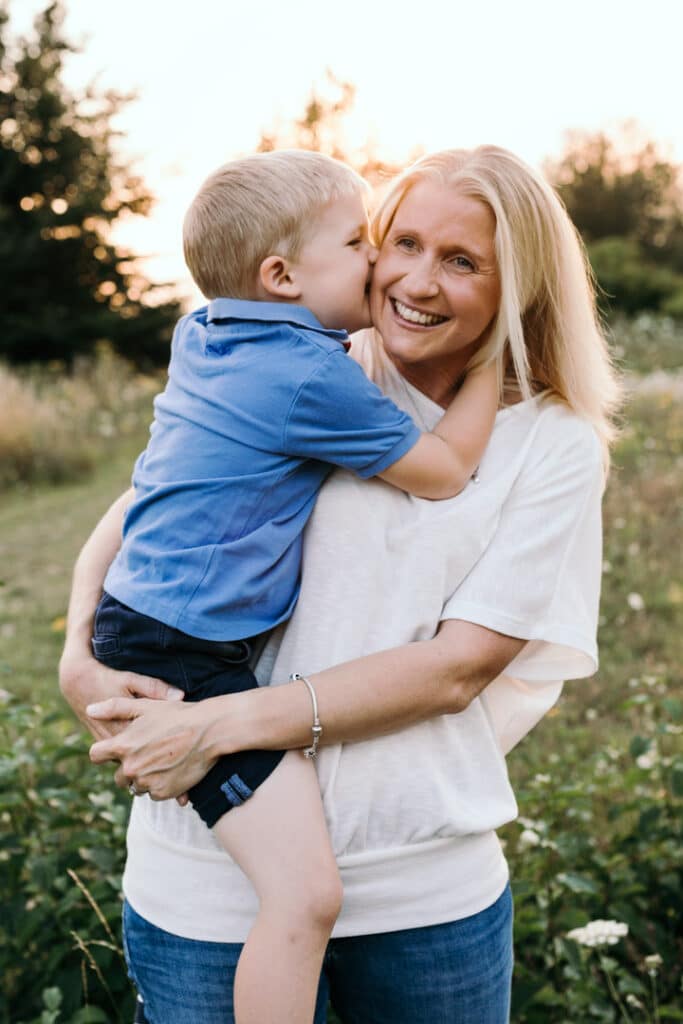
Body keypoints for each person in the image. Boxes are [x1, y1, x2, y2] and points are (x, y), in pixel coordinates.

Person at [61, 145, 620, 1024]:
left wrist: (215, 723)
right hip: (211, 889)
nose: (414, 280)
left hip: (422, 894)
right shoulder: (310, 364)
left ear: (518, 289)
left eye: (462, 262)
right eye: (398, 242)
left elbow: (456, 669)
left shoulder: (553, 445)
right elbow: (143, 507)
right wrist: (75, 657)